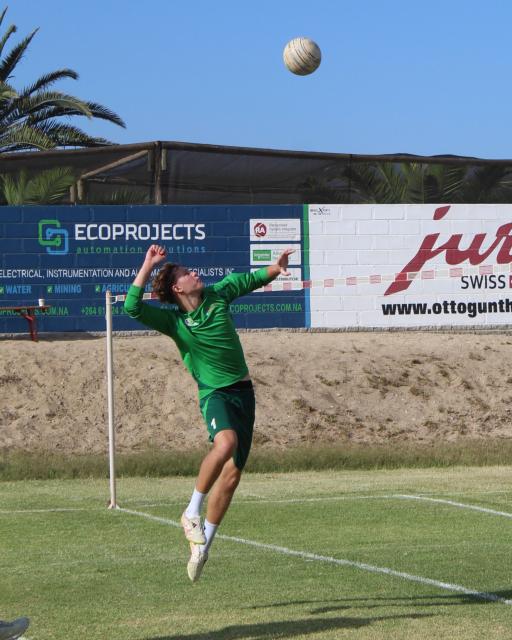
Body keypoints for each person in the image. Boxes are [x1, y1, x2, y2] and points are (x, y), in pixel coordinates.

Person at [125, 244, 294, 582]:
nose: (194, 273)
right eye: (187, 273)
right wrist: (148, 265)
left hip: (244, 394)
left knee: (231, 477)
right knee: (225, 443)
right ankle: (190, 512)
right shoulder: (174, 322)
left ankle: (203, 547)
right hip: (214, 394)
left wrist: (275, 268)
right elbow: (132, 307)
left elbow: (251, 279)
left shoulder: (218, 294)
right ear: (177, 288)